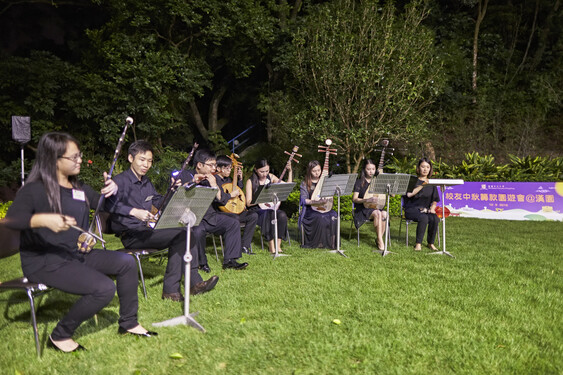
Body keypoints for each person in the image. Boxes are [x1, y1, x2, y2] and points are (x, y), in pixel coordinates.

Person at [3, 132, 156, 353]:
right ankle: (60, 335)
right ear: (53, 160)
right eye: (73, 157)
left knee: (126, 262)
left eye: (80, 155)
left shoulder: (79, 188)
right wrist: (41, 219)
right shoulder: (34, 190)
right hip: (46, 261)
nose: (80, 160)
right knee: (103, 288)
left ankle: (129, 323)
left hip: (76, 254)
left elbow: (105, 205)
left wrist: (113, 190)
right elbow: (11, 221)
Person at [106, 140, 218, 302]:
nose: (146, 164)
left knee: (187, 231)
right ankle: (174, 289)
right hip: (132, 234)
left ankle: (193, 283)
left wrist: (173, 191)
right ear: (131, 158)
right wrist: (134, 213)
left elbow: (160, 203)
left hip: (148, 230)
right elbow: (110, 206)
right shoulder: (119, 181)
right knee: (182, 234)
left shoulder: (146, 182)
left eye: (149, 161)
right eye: (142, 160)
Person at [174, 149, 248, 271]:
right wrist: (192, 181)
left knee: (233, 222)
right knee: (197, 231)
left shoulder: (212, 179)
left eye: (215, 165)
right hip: (192, 219)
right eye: (211, 165)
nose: (214, 168)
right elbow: (175, 192)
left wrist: (214, 185)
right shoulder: (185, 175)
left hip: (209, 216)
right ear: (199, 165)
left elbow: (222, 199)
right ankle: (202, 263)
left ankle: (230, 260)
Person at [245, 158, 292, 254]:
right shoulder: (251, 181)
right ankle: (271, 246)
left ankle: (278, 246)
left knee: (282, 215)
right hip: (257, 210)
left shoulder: (271, 177)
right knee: (270, 215)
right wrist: (260, 198)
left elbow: (287, 186)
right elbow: (248, 202)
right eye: (261, 171)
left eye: (267, 171)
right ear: (255, 169)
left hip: (270, 208)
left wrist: (290, 171)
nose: (264, 174)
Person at [214, 155, 258, 255]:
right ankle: (234, 246)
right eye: (227, 168)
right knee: (234, 218)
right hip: (220, 212)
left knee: (253, 215)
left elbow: (238, 191)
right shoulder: (215, 181)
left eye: (230, 168)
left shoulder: (229, 180)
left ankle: (244, 246)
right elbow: (218, 199)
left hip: (233, 210)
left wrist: (240, 179)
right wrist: (230, 195)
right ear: (218, 168)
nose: (229, 170)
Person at [403, 157, 440, 251]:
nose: (425, 169)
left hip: (425, 210)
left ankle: (430, 243)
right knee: (424, 217)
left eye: (427, 167)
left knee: (435, 218)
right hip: (412, 209)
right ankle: (418, 244)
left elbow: (435, 199)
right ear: (418, 168)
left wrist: (432, 208)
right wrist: (422, 185)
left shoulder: (432, 183)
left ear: (430, 169)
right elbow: (409, 194)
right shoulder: (412, 181)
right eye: (423, 167)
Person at [299, 160, 337, 249]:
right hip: (310, 210)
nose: (317, 173)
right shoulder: (305, 183)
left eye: (319, 170)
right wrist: (316, 202)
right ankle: (318, 242)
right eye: (314, 171)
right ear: (309, 171)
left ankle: (331, 242)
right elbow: (304, 201)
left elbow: (330, 196)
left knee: (334, 215)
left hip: (324, 207)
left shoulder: (325, 182)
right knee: (320, 217)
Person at [352, 159, 387, 251]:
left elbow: (392, 194)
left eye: (373, 169)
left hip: (375, 208)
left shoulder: (378, 182)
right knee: (378, 213)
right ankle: (380, 240)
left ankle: (378, 238)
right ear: (364, 170)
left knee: (384, 214)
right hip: (362, 209)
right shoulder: (359, 182)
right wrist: (366, 199)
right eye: (368, 169)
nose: (371, 171)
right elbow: (355, 199)